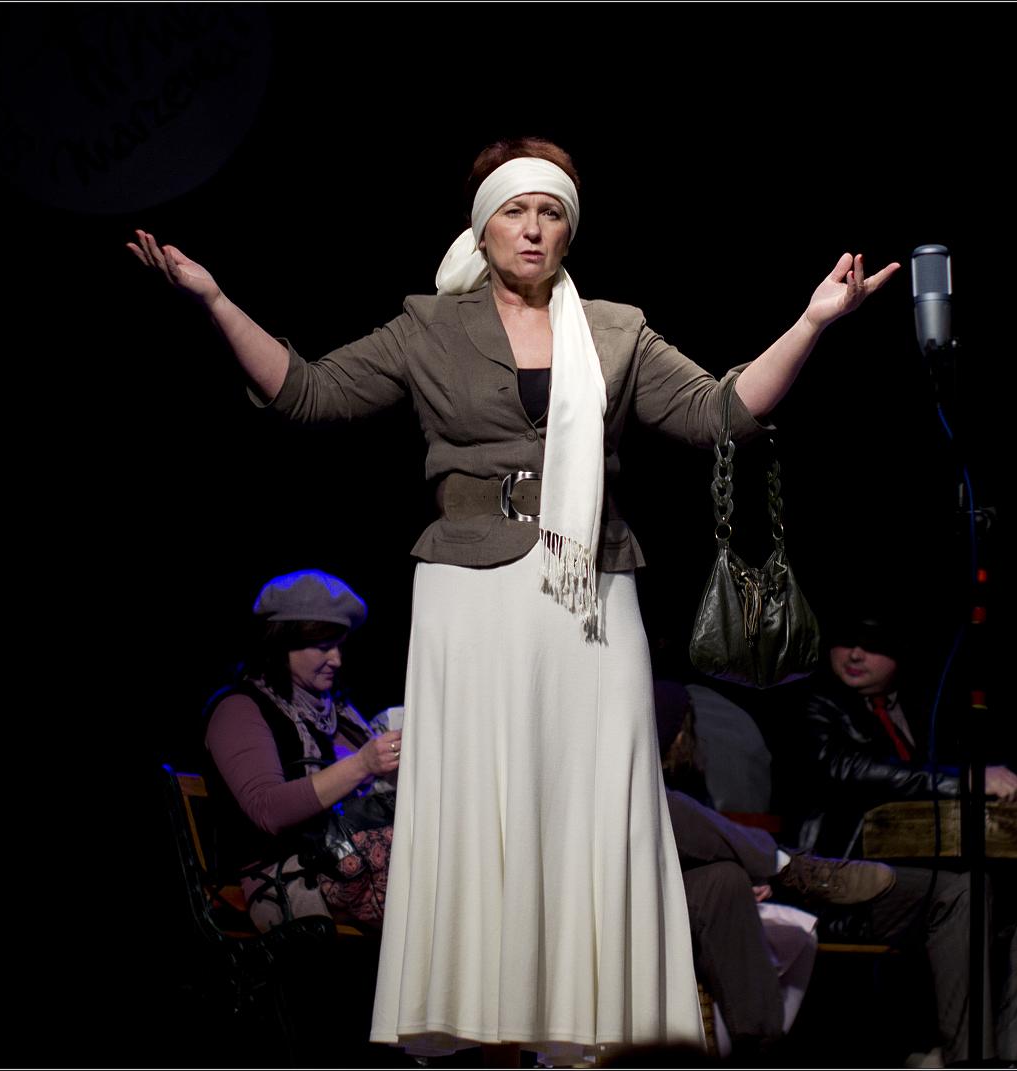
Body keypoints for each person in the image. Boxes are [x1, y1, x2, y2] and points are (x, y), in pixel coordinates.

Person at [129, 137, 898, 1058]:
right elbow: (310, 393)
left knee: (598, 797)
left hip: (589, 591)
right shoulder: (429, 326)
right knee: (480, 798)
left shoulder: (615, 329)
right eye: (515, 211)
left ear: (569, 230)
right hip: (471, 590)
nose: (533, 229)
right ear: (482, 226)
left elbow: (719, 413)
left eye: (551, 213)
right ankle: (476, 1019)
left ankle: (590, 1028)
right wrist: (215, 299)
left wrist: (812, 321)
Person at [785, 614, 1017, 1066]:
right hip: (844, 884)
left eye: (872, 644)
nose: (855, 654)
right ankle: (969, 1059)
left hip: (926, 881)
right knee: (963, 892)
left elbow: (977, 767)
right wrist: (964, 780)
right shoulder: (814, 701)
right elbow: (845, 768)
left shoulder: (922, 706)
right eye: (846, 641)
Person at [655, 680, 894, 1060]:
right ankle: (787, 865)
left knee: (725, 880)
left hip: (650, 883)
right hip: (591, 885)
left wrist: (735, 866)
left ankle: (761, 1050)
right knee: (658, 804)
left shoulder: (685, 780)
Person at [204, 569, 402, 934]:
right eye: (323, 646)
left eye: (339, 645)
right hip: (289, 875)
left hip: (353, 860)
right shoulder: (241, 709)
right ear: (281, 644)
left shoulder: (340, 714)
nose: (337, 659)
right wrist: (362, 764)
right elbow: (267, 809)